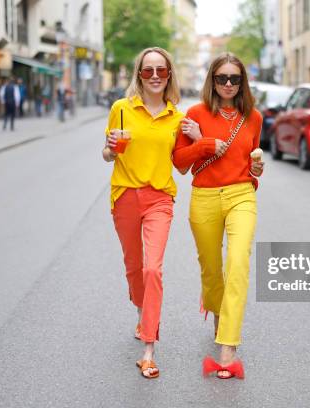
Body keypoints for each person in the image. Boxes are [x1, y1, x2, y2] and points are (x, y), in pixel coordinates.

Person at [173, 52, 264, 380]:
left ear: (242, 83)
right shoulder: (195, 114)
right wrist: (205, 143)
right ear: (212, 80)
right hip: (205, 198)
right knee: (211, 270)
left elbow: (251, 163)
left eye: (234, 79)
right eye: (221, 78)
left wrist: (257, 168)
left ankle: (228, 348)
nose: (228, 84)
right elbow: (181, 164)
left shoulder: (253, 117)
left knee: (238, 264)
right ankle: (217, 312)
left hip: (242, 196)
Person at [101, 47, 183, 379]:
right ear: (139, 74)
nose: (153, 76)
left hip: (159, 199)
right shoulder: (121, 109)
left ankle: (149, 349)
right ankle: (141, 312)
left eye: (160, 71)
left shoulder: (177, 117)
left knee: (153, 269)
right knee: (134, 267)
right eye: (147, 70)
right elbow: (107, 156)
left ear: (168, 75)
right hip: (125, 196)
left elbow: (183, 162)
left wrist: (200, 142)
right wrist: (110, 147)